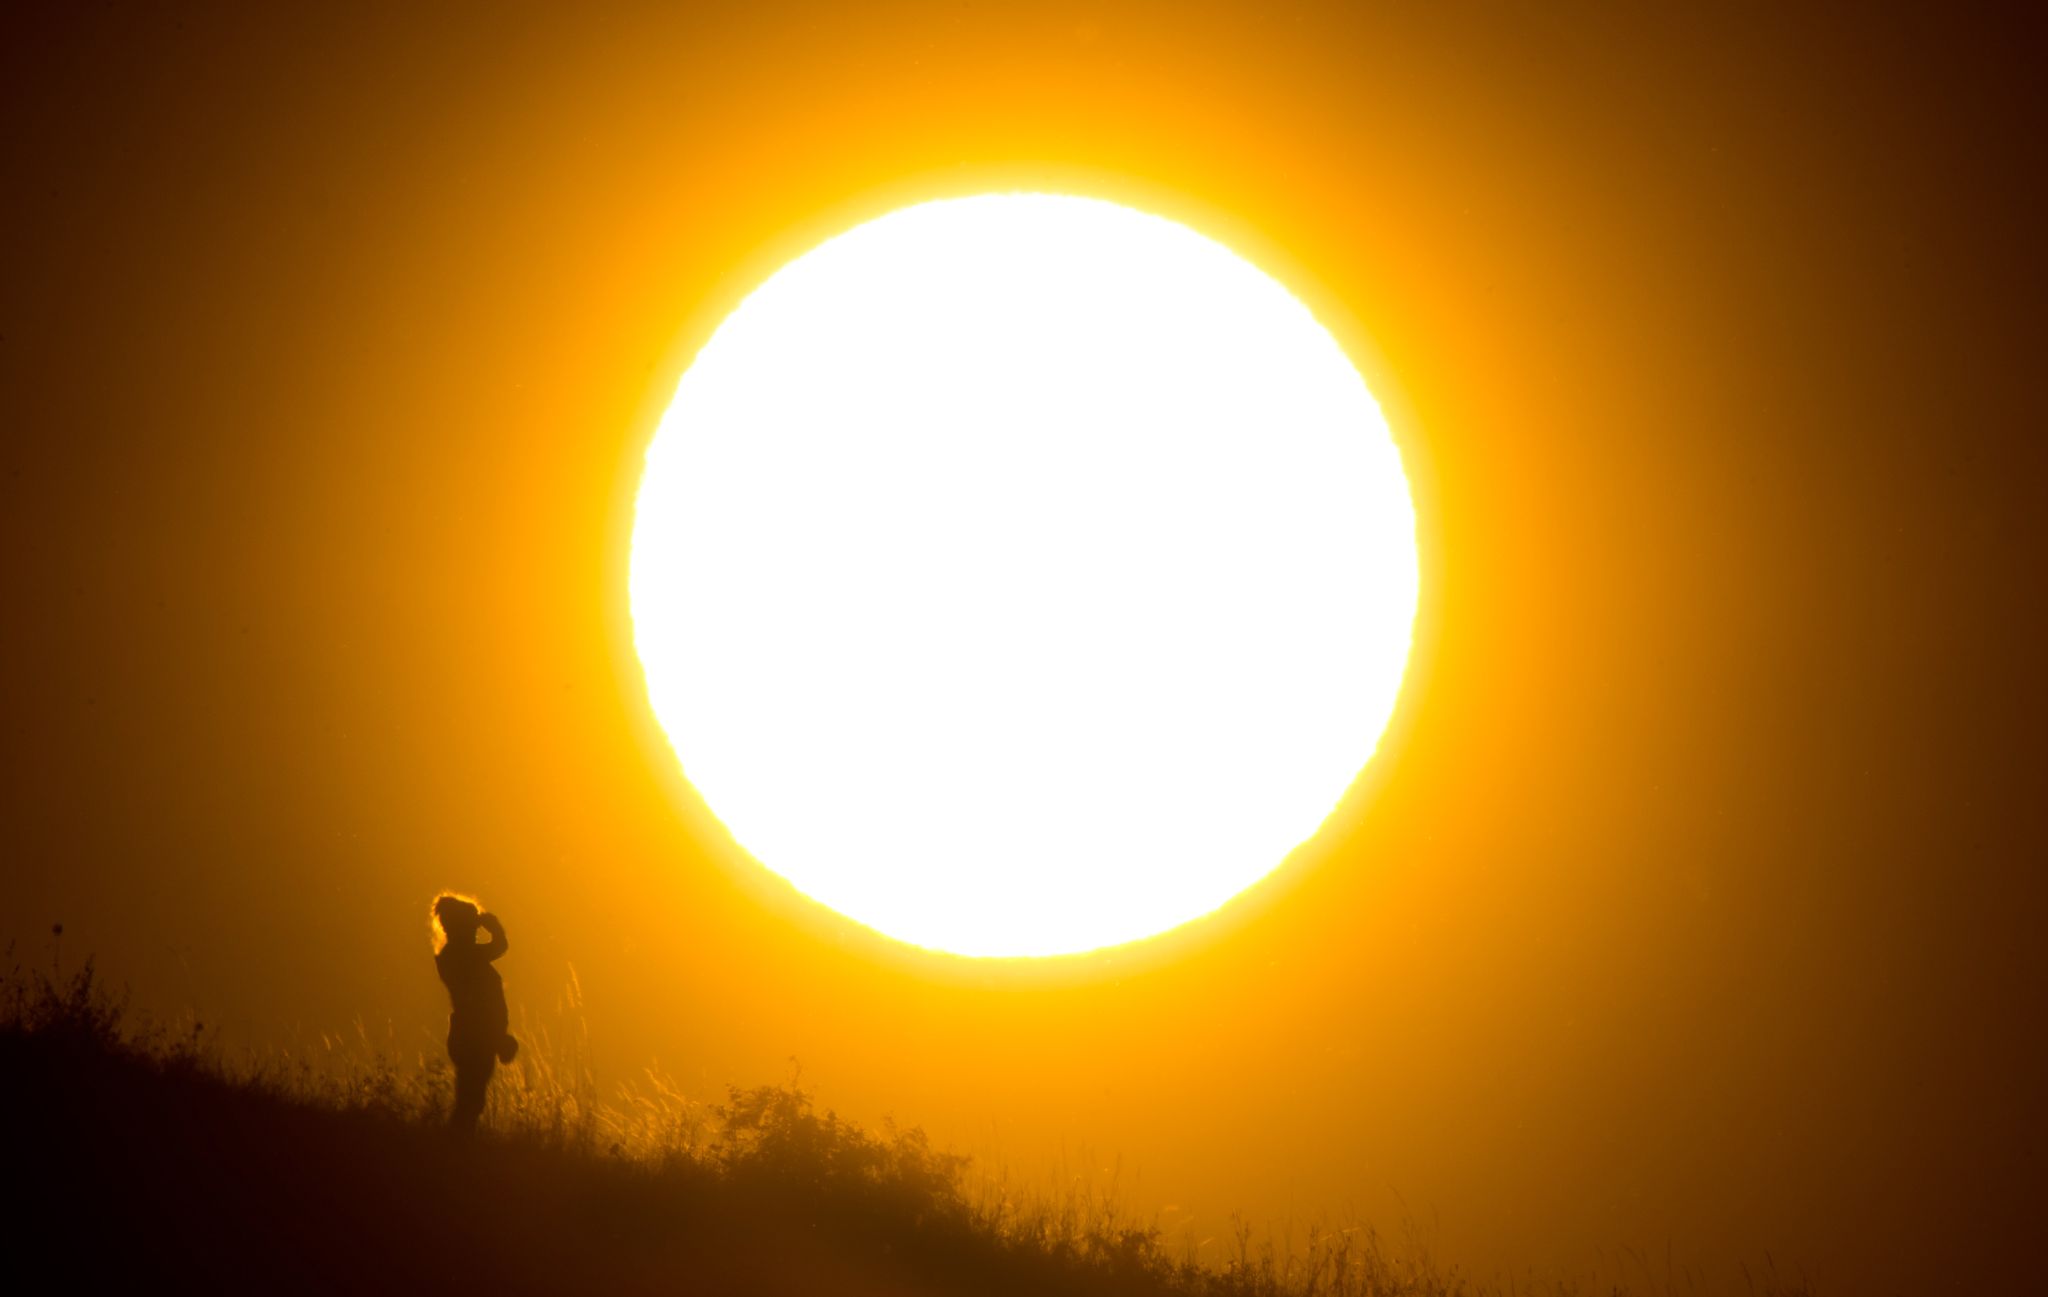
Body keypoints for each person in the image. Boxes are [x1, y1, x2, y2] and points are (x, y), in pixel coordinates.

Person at [430, 893, 518, 1133]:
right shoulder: (460, 956)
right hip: (474, 1037)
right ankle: (456, 1148)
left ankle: (457, 1145)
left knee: (471, 1099)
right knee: (470, 1101)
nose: (474, 930)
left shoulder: (455, 956)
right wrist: (495, 926)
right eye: (470, 924)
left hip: (472, 1035)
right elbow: (500, 946)